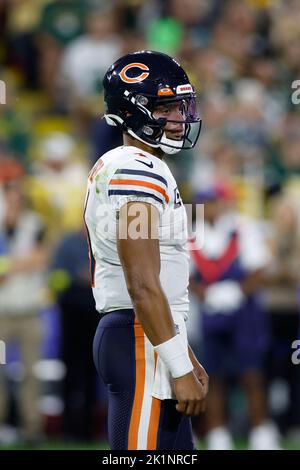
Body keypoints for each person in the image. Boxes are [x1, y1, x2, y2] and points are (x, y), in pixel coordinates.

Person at [84, 50, 208, 450]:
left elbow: (161, 279)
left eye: (179, 106)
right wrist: (177, 362)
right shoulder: (137, 168)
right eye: (166, 108)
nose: (178, 118)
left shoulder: (135, 164)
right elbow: (142, 282)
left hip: (149, 333)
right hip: (139, 336)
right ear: (131, 111)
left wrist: (182, 352)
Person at [189, 183, 280, 450]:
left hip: (245, 311)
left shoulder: (243, 227)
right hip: (211, 310)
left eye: (213, 201)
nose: (208, 207)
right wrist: (205, 296)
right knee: (213, 373)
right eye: (204, 201)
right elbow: (185, 273)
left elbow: (260, 266)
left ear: (224, 202)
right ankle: (218, 432)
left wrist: (239, 292)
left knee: (251, 372)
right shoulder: (193, 234)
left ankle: (260, 431)